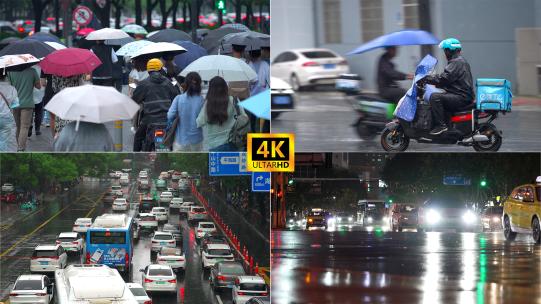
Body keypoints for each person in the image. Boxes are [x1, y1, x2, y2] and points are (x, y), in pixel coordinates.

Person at [422, 38, 474, 135]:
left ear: (450, 50)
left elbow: (444, 79)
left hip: (461, 97)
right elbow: (448, 79)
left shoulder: (457, 62)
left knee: (435, 97)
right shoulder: (459, 61)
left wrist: (426, 79)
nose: (445, 53)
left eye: (445, 50)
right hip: (462, 94)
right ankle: (448, 125)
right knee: (439, 95)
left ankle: (441, 126)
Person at [132, 58, 179, 151]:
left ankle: (136, 159)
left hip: (149, 120)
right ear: (161, 69)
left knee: (138, 136)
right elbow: (177, 98)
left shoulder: (143, 84)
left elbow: (134, 101)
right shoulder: (168, 83)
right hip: (167, 119)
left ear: (148, 71)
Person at [196, 76, 248, 151]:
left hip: (214, 145)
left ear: (210, 89)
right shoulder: (233, 100)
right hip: (233, 142)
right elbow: (244, 117)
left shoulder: (208, 104)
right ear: (225, 87)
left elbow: (199, 122)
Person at [167, 72, 204, 151]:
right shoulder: (201, 100)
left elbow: (170, 116)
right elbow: (203, 120)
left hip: (180, 140)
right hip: (197, 139)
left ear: (186, 83)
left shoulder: (178, 98)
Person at [8, 66, 41, 151]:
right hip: (28, 103)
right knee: (25, 127)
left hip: (15, 103)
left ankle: (19, 146)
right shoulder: (33, 71)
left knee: (18, 126)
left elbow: (10, 86)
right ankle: (21, 148)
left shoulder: (11, 71)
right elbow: (39, 86)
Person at [0, 72, 18, 151]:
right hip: (7, 117)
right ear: (6, 77)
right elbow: (15, 105)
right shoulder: (12, 88)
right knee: (4, 140)